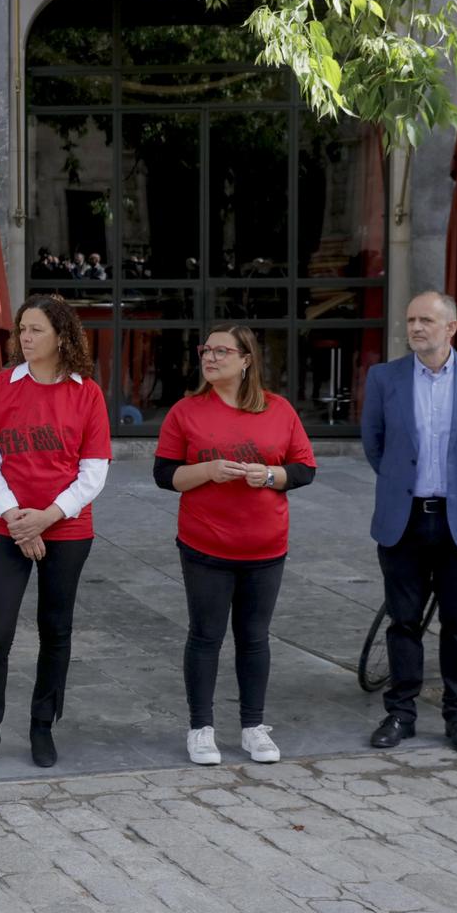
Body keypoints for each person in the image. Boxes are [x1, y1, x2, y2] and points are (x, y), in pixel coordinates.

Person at [154, 323, 316, 767]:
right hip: (205, 544)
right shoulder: (185, 412)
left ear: (246, 361)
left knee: (254, 638)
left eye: (222, 351)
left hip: (265, 547)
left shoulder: (280, 409)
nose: (210, 357)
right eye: (206, 349)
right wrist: (208, 471)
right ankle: (201, 728)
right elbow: (165, 475)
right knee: (205, 636)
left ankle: (252, 727)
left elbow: (303, 470)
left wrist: (265, 475)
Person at [0, 294, 110, 771]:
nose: (25, 338)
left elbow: (94, 470)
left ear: (61, 336)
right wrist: (16, 519)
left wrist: (46, 517)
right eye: (22, 329)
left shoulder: (87, 393)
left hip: (66, 529)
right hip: (7, 526)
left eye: (36, 330)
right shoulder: (1, 387)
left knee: (56, 629)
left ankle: (43, 725)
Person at [360, 292, 457, 755]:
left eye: (427, 319)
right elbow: (375, 443)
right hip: (404, 518)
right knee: (403, 621)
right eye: (411, 319)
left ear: (451, 328)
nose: (416, 327)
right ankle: (400, 712)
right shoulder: (385, 378)